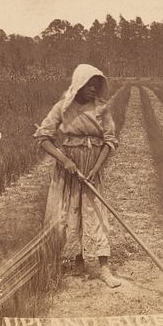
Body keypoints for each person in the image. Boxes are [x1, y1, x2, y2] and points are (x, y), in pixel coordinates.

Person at [33, 64, 120, 288]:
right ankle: (59, 264)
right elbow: (43, 138)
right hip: (68, 170)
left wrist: (96, 168)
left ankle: (104, 267)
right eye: (88, 84)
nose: (93, 88)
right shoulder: (62, 107)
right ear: (79, 84)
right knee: (64, 214)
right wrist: (66, 161)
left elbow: (110, 141)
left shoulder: (102, 109)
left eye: (96, 84)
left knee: (96, 213)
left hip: (92, 168)